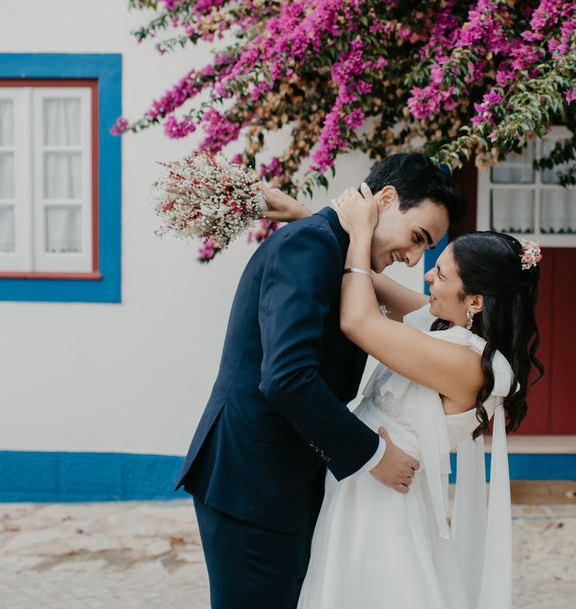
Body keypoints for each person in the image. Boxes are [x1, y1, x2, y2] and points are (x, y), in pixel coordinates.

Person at [176, 152, 467, 609]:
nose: (414, 259)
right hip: (255, 486)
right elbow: (288, 377)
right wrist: (375, 455)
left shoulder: (329, 245)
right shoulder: (309, 245)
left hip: (283, 482)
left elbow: (367, 289)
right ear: (386, 199)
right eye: (417, 238)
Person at [295, 183, 544, 609]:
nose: (427, 274)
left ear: (477, 300)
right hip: (358, 487)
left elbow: (359, 319)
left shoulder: (470, 366)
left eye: (442, 274)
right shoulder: (444, 327)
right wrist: (305, 216)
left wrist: (359, 234)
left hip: (382, 508)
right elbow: (366, 279)